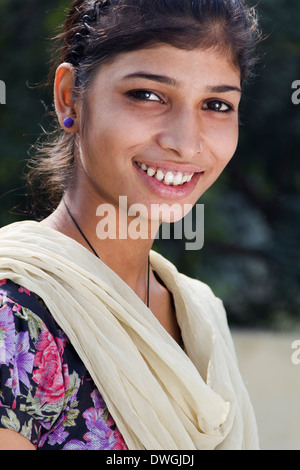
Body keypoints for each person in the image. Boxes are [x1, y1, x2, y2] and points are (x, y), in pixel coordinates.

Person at [0, 0, 261, 450]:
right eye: (148, 95)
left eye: (216, 104)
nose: (185, 142)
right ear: (70, 97)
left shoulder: (201, 317)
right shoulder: (14, 320)